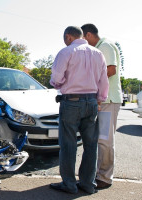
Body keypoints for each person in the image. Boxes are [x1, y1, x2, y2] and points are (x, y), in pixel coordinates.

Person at [49, 26, 109, 194]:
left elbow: (57, 78)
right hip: (91, 102)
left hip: (71, 102)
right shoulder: (98, 53)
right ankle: (88, 184)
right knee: (91, 145)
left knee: (68, 144)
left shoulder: (66, 52)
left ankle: (69, 184)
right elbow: (104, 81)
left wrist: (57, 83)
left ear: (68, 37)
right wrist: (99, 99)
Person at [81, 23, 123, 189]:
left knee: (105, 140)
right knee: (100, 140)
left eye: (83, 39)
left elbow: (111, 70)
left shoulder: (104, 46)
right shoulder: (99, 47)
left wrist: (88, 79)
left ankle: (104, 178)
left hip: (109, 100)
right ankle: (98, 175)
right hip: (102, 101)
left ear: (88, 35)